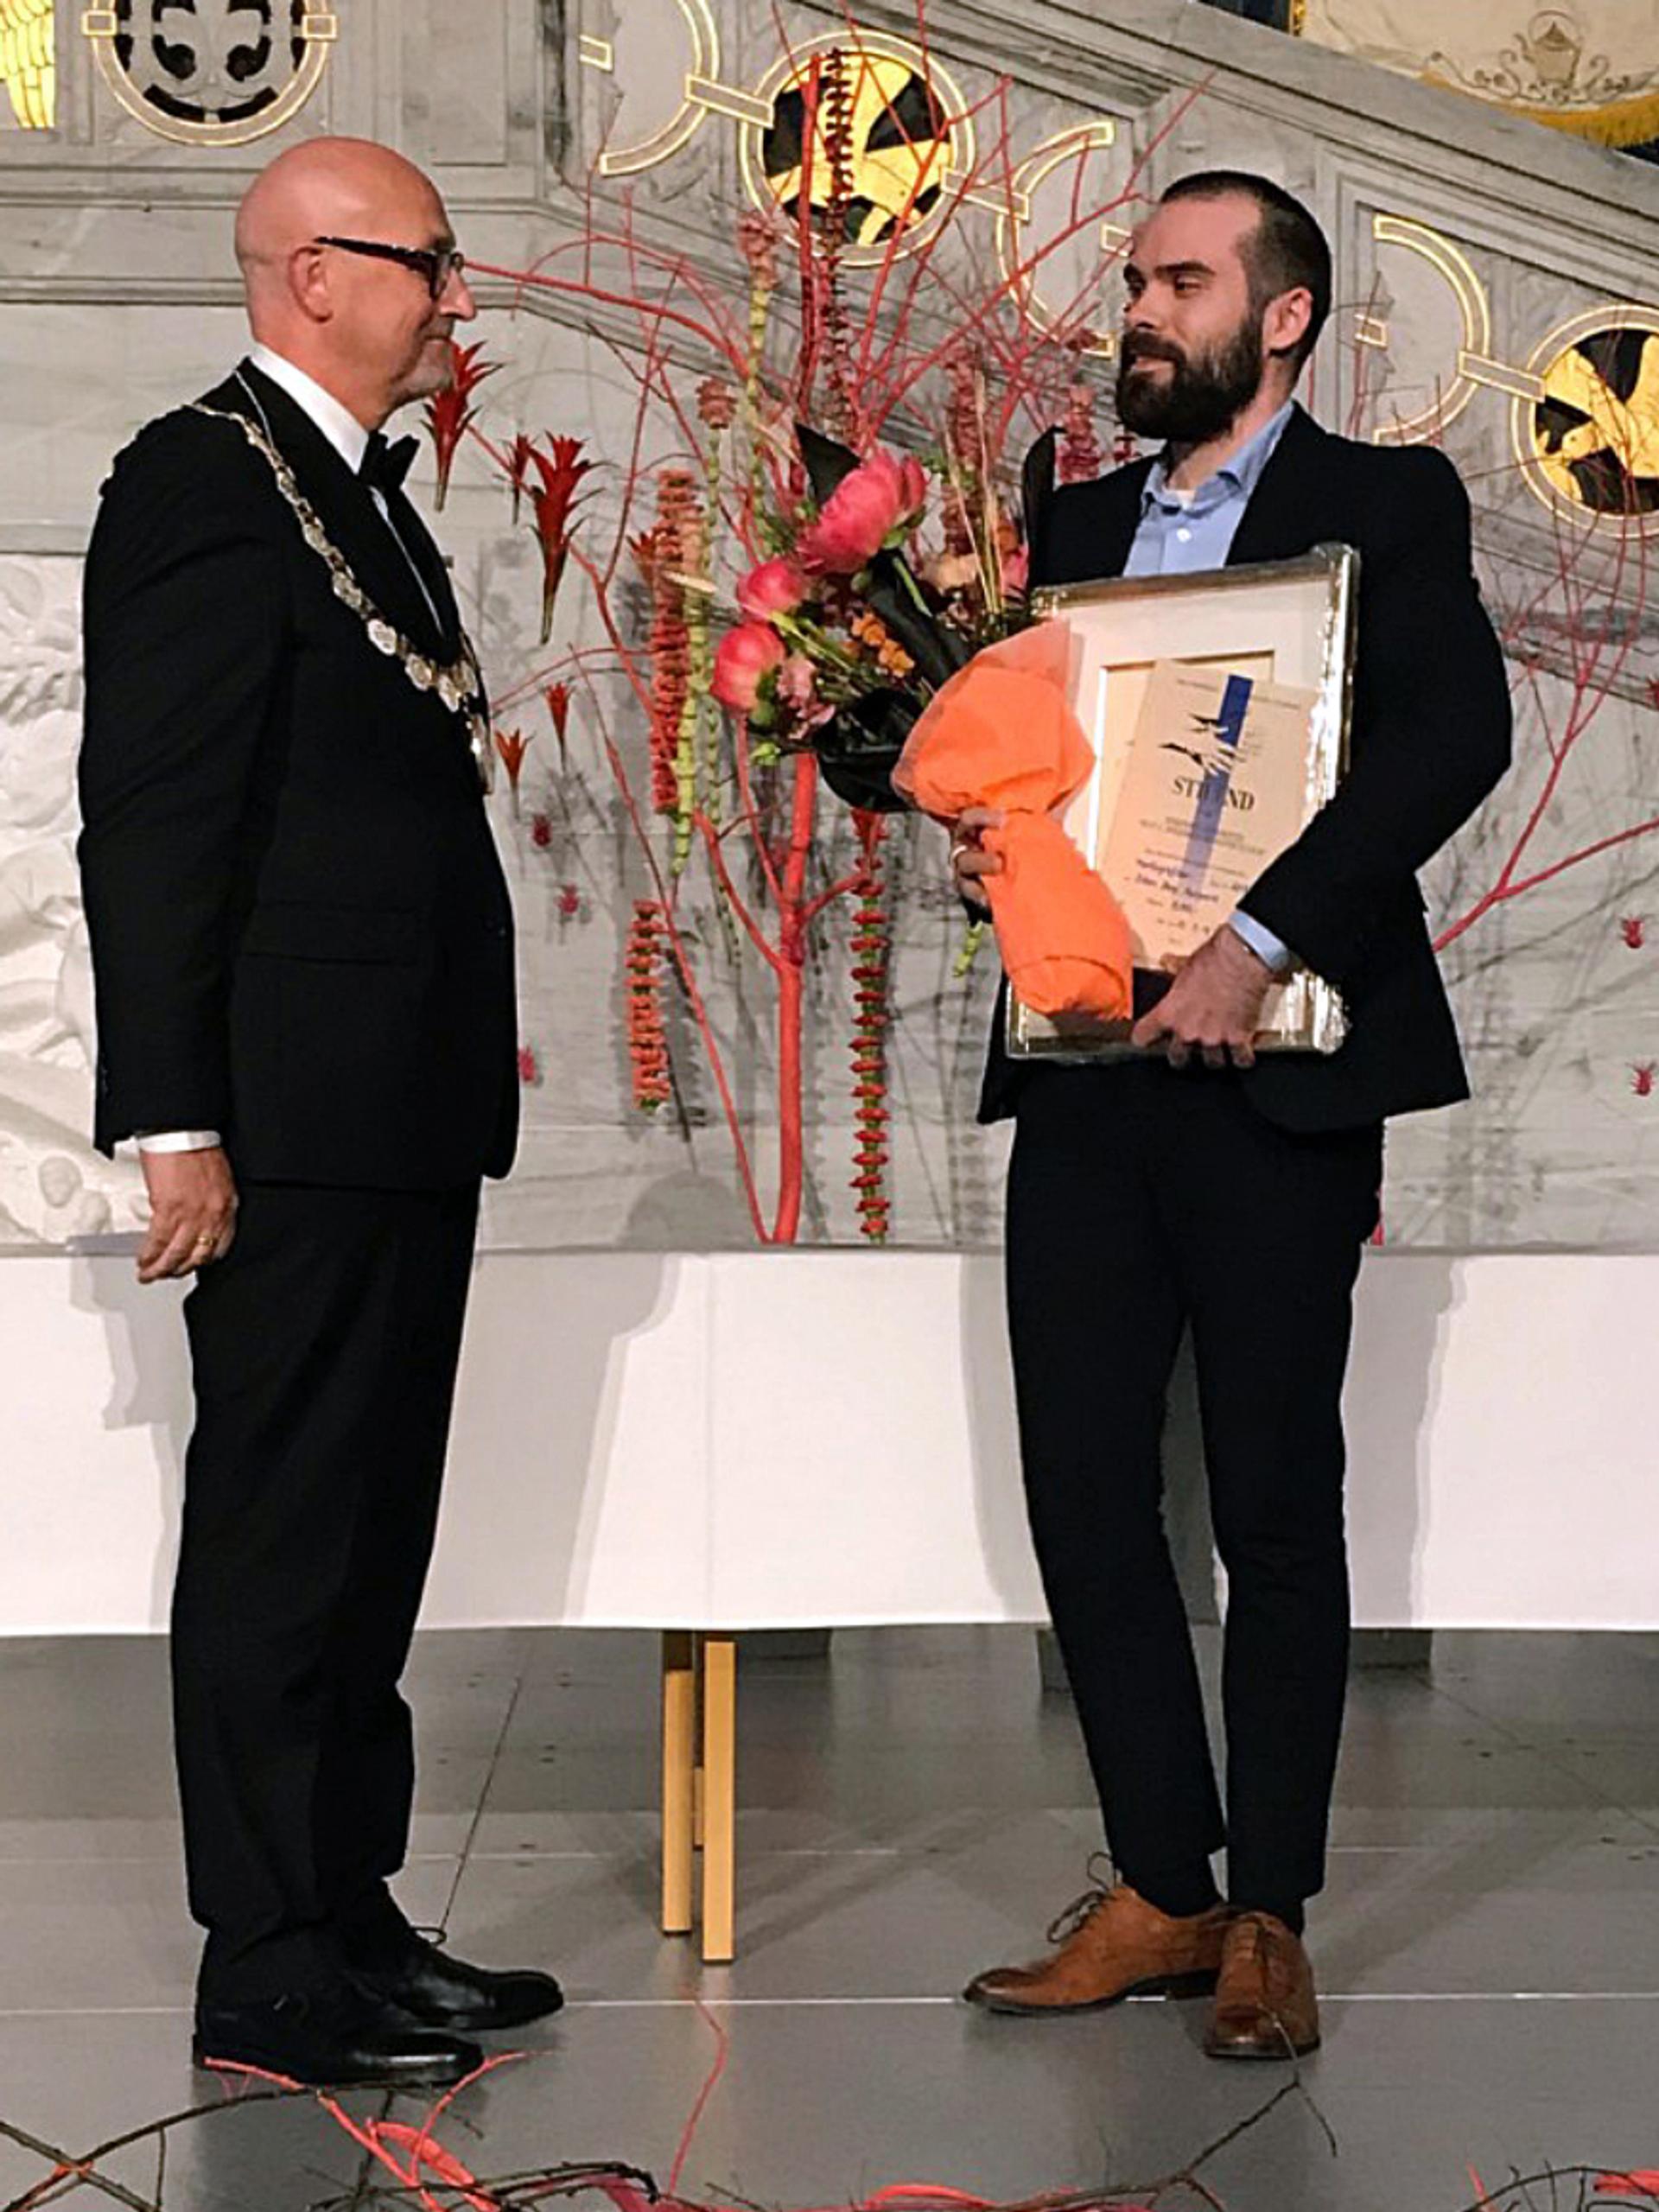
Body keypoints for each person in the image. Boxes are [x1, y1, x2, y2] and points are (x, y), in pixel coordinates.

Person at [953, 171, 1511, 2059]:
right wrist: (991, 840)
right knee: (1084, 1484)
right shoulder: (1073, 521)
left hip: (1281, 1068)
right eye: (1135, 278)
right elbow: (1035, 768)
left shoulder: (1385, 502)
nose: (1139, 308)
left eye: (1180, 282)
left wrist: (1255, 938)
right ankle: (1159, 1881)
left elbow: (1455, 738)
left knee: (1271, 1495)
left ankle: (1270, 1907)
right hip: (1083, 1067)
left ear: (1282, 317)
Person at [79, 137, 561, 2088]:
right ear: (313, 275)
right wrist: (170, 1115)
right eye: (431, 260)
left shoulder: (362, 489)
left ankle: (350, 1912)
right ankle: (268, 1961)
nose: (459, 295)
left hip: (404, 1104)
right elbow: (154, 822)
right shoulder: (202, 479)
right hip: (286, 1114)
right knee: (285, 1537)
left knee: (371, 1535)